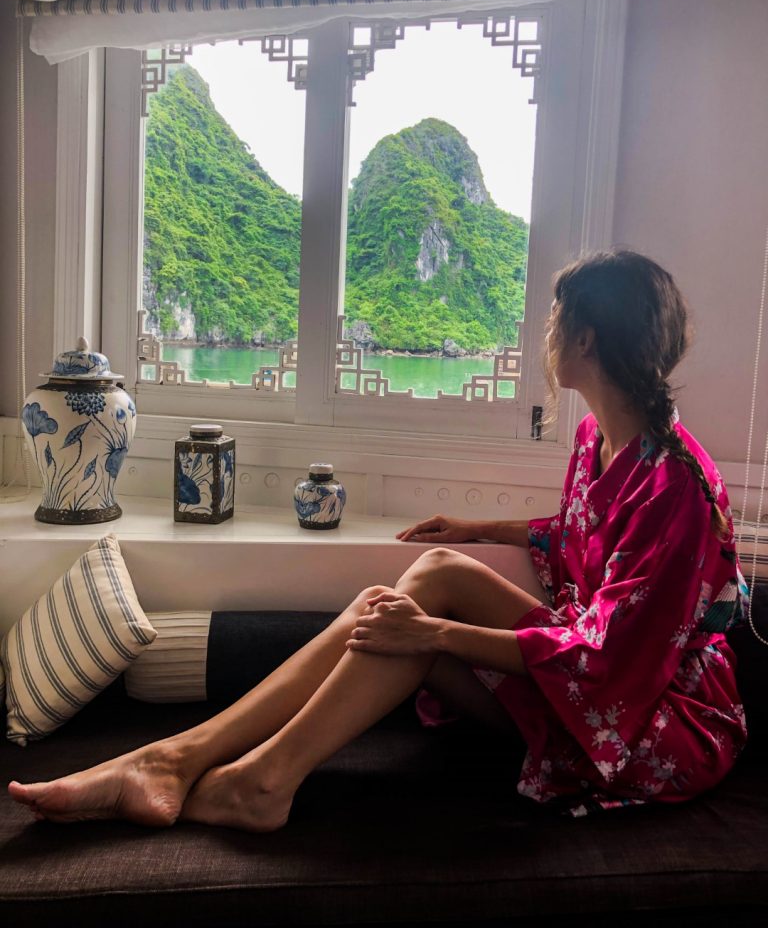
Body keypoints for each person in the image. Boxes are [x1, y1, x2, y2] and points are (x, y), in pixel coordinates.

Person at [8, 250, 748, 828]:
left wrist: (437, 632)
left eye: (554, 323)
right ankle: (183, 763)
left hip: (656, 725)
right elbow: (594, 537)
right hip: (598, 687)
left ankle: (242, 779)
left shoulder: (678, 482)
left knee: (414, 611)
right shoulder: (598, 441)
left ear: (586, 338)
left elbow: (610, 654)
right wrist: (480, 530)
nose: (545, 337)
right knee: (413, 581)